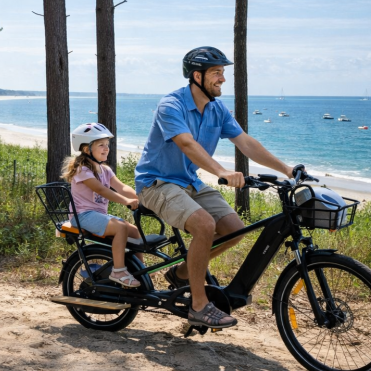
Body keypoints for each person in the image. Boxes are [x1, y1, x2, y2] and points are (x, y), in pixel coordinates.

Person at [134, 46, 295, 328]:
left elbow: (246, 143)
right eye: (216, 73)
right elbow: (186, 143)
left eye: (222, 72)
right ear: (197, 76)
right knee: (205, 225)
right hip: (156, 183)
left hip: (188, 181)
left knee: (234, 229)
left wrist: (288, 170)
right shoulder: (171, 105)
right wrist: (221, 171)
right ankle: (198, 306)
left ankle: (181, 274)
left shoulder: (217, 109)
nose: (222, 79)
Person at [63, 123, 142, 288]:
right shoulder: (82, 170)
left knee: (134, 231)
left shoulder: (105, 170)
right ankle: (118, 271)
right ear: (87, 149)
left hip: (98, 216)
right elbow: (100, 189)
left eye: (107, 144)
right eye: (101, 145)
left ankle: (140, 270)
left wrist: (141, 199)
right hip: (82, 215)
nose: (106, 148)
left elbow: (122, 187)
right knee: (121, 228)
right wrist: (126, 201)